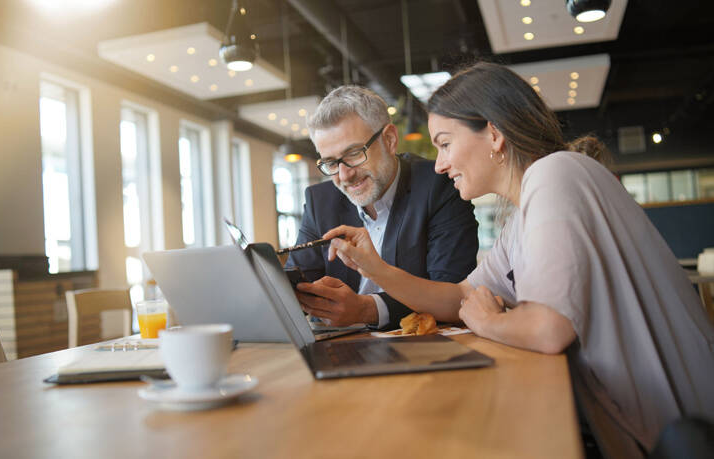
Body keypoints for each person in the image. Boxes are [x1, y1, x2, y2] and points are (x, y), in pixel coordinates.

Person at [321, 63, 714, 457]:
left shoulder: (555, 173)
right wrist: (377, 269)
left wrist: (488, 320)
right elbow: (459, 294)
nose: (439, 164)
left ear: (493, 133)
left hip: (675, 433)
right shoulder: (523, 212)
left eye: (445, 143)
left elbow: (548, 329)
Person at [286, 85, 479, 330]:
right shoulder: (320, 201)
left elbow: (454, 295)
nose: (344, 175)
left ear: (389, 139)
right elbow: (295, 283)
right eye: (331, 162)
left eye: (354, 153)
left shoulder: (439, 186)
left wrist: (366, 309)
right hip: (344, 351)